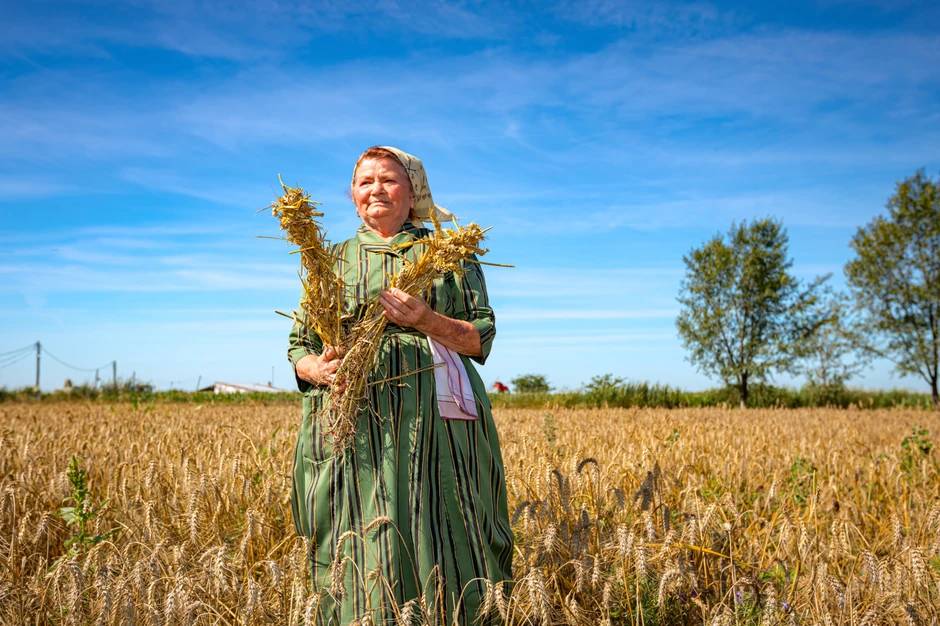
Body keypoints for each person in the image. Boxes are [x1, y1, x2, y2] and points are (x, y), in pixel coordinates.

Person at [287, 146, 513, 625]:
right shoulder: (328, 259)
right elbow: (299, 347)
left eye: (389, 180)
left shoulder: (449, 253)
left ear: (414, 195)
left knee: (446, 515)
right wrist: (318, 369)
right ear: (352, 196)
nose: (376, 190)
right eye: (365, 181)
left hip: (435, 415)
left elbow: (480, 337)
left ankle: (457, 611)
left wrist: (427, 320)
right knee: (352, 520)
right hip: (351, 414)